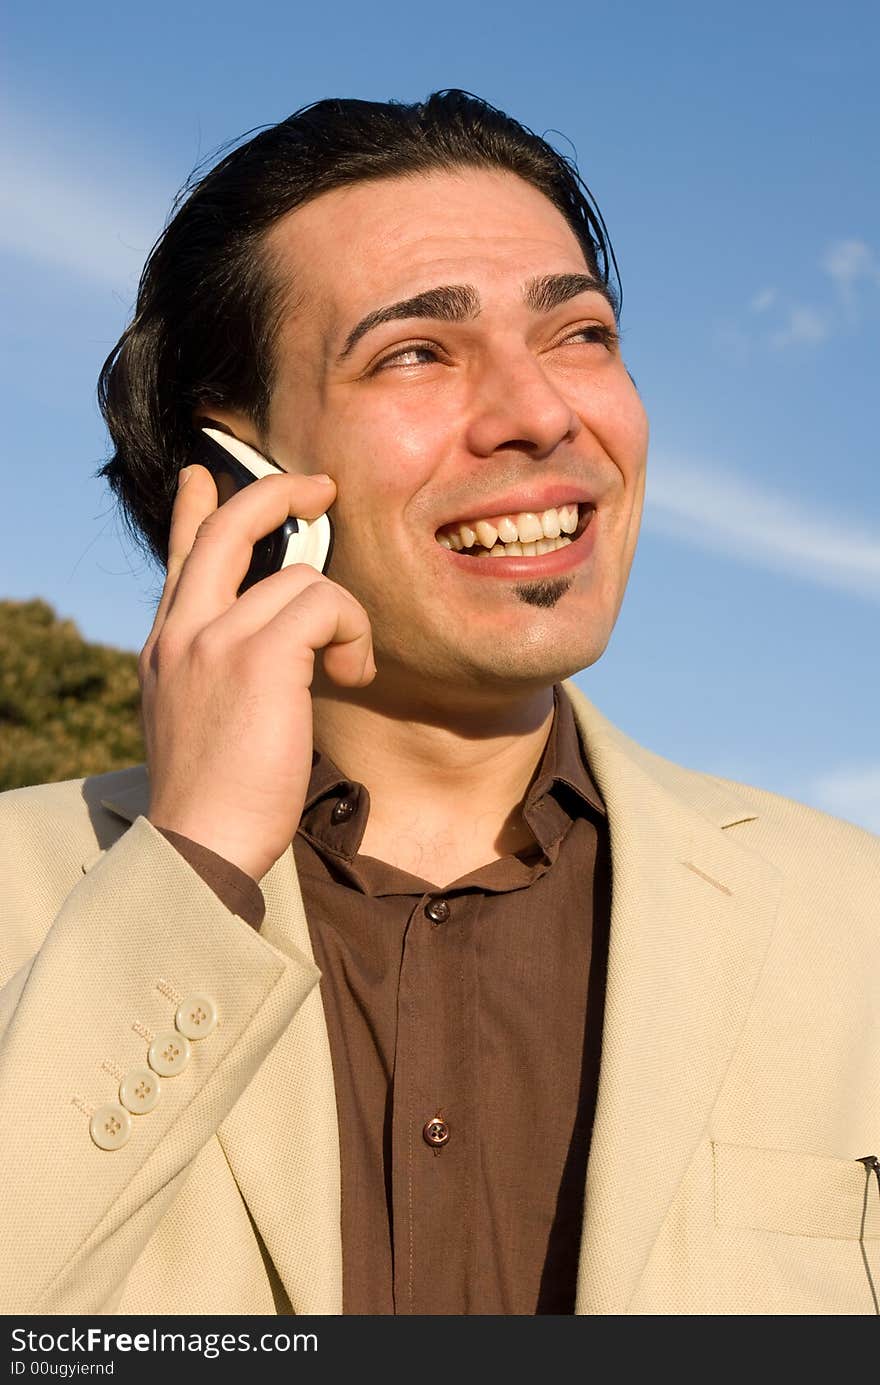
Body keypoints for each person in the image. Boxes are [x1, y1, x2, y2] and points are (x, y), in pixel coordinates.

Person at [1, 92, 877, 1318]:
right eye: (415, 351)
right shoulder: (19, 889)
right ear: (237, 476)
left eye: (579, 333)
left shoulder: (854, 920)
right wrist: (192, 866)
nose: (541, 412)